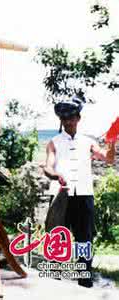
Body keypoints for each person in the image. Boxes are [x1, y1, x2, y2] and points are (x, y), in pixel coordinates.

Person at [44, 96, 116, 288]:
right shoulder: (53, 142)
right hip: (60, 194)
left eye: (72, 117)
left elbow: (108, 159)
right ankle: (54, 279)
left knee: (84, 237)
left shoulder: (88, 141)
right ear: (61, 120)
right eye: (64, 118)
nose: (68, 122)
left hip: (84, 194)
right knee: (58, 236)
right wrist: (55, 174)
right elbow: (48, 167)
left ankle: (84, 280)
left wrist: (112, 142)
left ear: (78, 118)